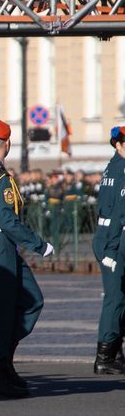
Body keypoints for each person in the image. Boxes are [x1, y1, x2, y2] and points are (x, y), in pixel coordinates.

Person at [0, 117, 53, 398]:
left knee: (31, 300)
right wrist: (38, 244)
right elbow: (7, 218)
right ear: (7, 144)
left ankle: (2, 358)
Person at [93, 126, 125, 374]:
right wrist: (112, 249)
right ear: (118, 144)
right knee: (114, 298)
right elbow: (117, 214)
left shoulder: (112, 167)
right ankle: (105, 356)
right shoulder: (121, 169)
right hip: (114, 236)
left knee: (119, 296)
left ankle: (114, 351)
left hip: (108, 234)